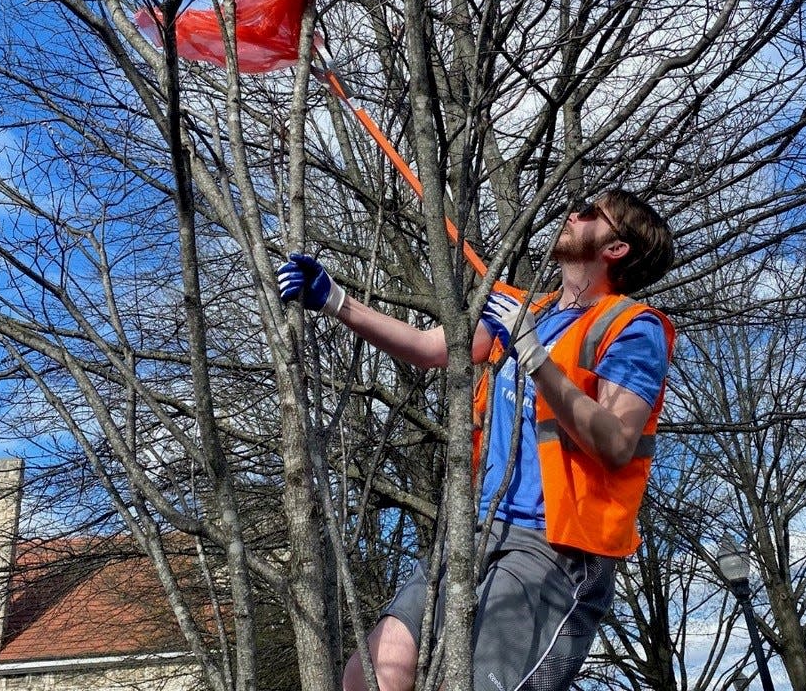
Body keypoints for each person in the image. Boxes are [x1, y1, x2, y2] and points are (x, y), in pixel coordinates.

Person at [277, 188, 675, 691]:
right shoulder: (530, 310)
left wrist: (534, 355)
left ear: (615, 249)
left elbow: (617, 440)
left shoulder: (633, 328)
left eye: (591, 213)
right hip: (477, 530)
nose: (573, 213)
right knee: (370, 674)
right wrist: (337, 301)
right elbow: (430, 348)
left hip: (554, 549)